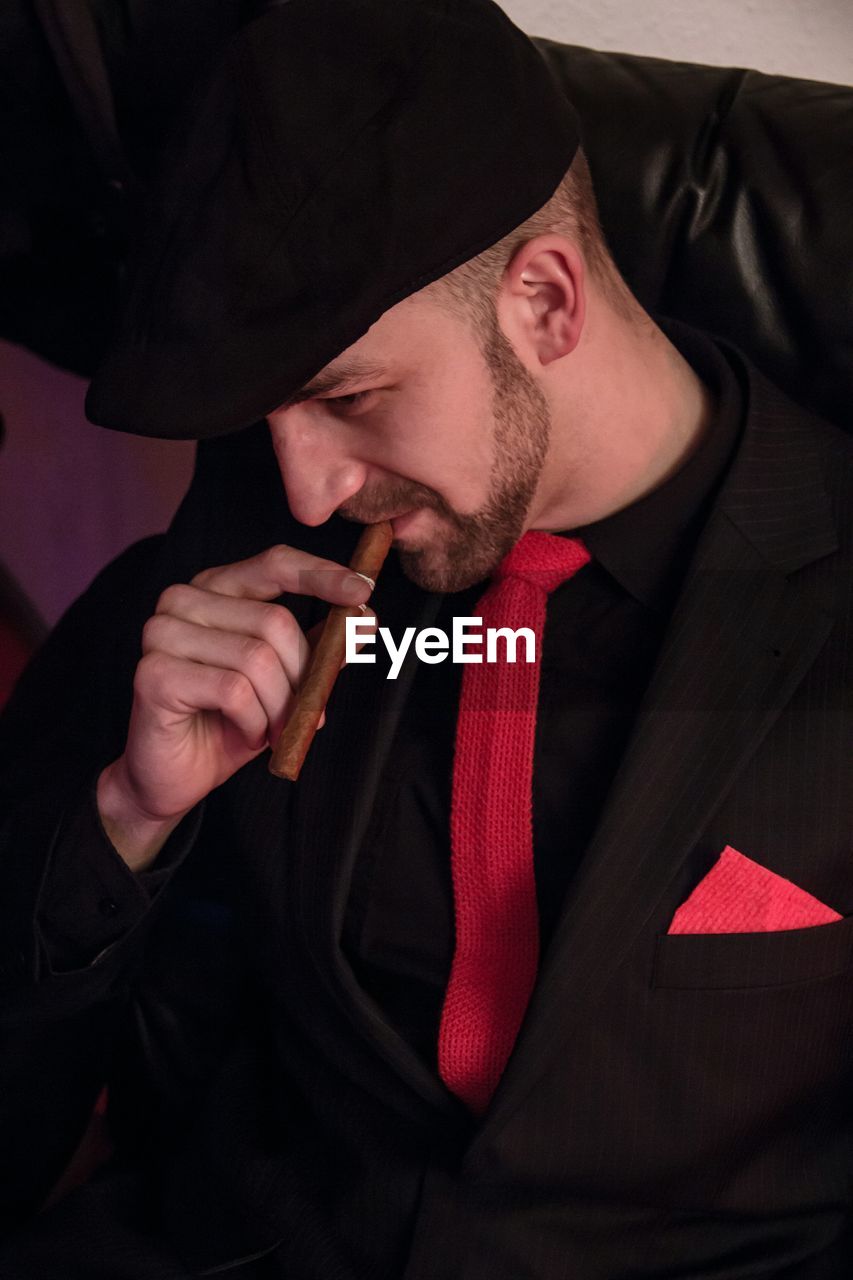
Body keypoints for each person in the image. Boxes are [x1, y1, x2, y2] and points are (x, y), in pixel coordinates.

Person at [1, 0, 852, 1276]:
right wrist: (129, 816)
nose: (305, 487)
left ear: (546, 300)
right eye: (271, 413)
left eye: (348, 397)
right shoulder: (255, 554)